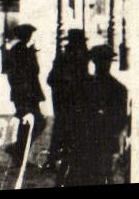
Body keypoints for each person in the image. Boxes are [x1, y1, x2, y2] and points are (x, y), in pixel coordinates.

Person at [46, 28, 90, 179]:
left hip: (68, 100)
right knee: (64, 129)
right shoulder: (69, 58)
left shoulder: (75, 57)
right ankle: (55, 159)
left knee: (63, 129)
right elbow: (53, 79)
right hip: (67, 100)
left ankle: (55, 159)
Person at [84, 43, 130, 184]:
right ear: (94, 62)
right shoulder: (86, 85)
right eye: (99, 61)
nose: (102, 64)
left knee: (103, 174)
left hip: (104, 139)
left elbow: (121, 118)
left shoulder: (118, 89)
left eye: (105, 60)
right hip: (88, 139)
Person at [1, 24, 45, 138]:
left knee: (24, 115)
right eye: (29, 34)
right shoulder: (27, 51)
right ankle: (23, 141)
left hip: (21, 89)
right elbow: (36, 69)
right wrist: (36, 52)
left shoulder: (16, 49)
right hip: (29, 90)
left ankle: (22, 139)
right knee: (33, 116)